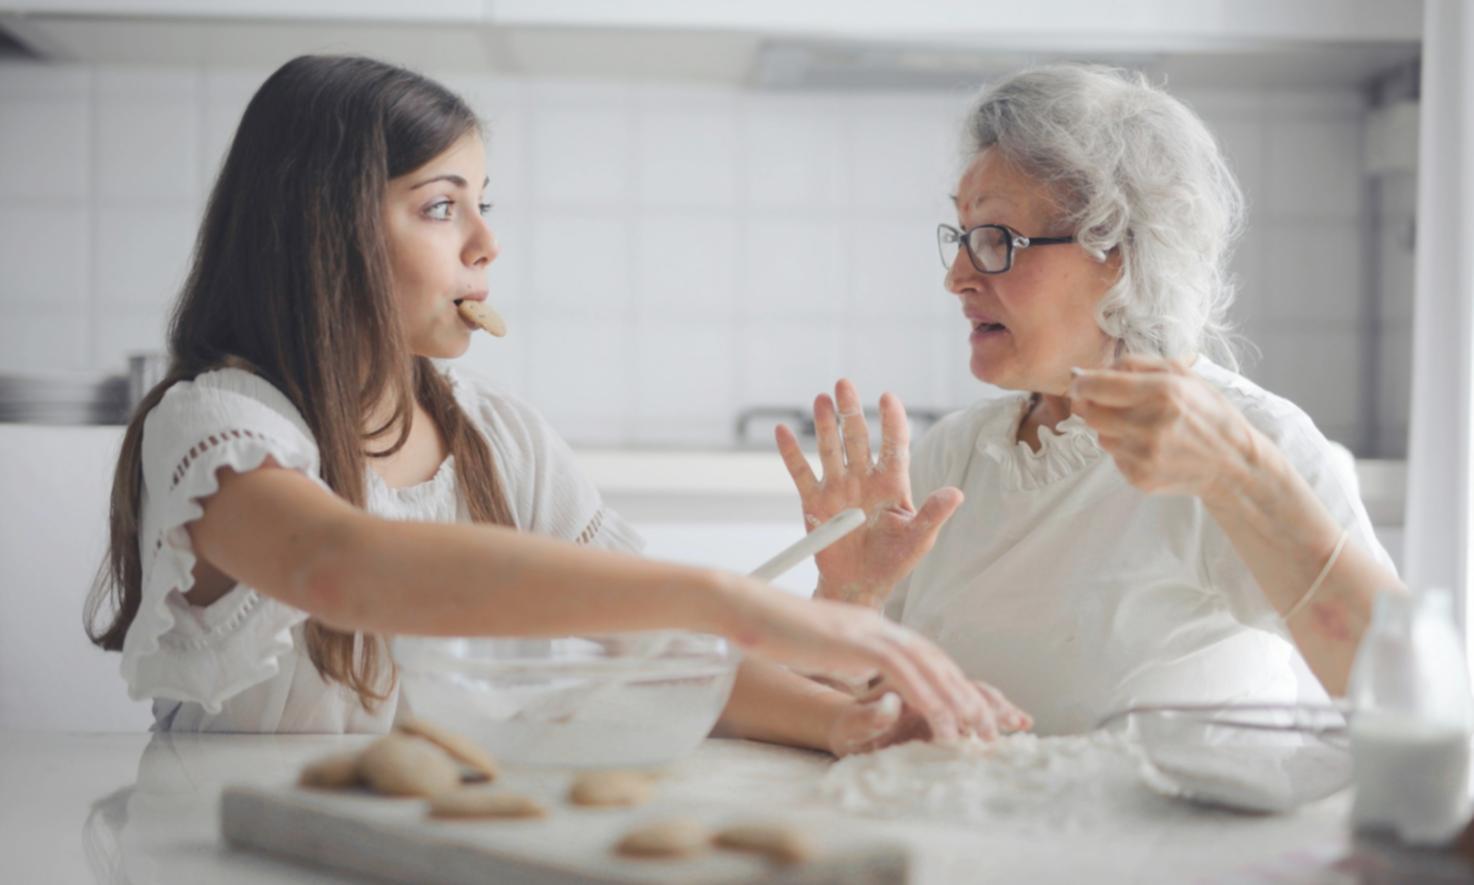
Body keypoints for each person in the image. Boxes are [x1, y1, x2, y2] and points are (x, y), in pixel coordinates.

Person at [83, 55, 1028, 752]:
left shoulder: (499, 438)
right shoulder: (217, 427)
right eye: (441, 205)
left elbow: (654, 649)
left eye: (483, 203)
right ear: (322, 231)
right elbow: (336, 565)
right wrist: (721, 595)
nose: (486, 242)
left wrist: (847, 719)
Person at [777, 64, 1403, 736]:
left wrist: (1243, 478)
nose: (957, 277)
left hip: (1177, 812)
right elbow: (851, 720)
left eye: (996, 240)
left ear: (1122, 251)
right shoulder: (955, 456)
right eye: (961, 236)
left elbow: (1404, 689)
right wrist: (850, 597)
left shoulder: (1247, 438)